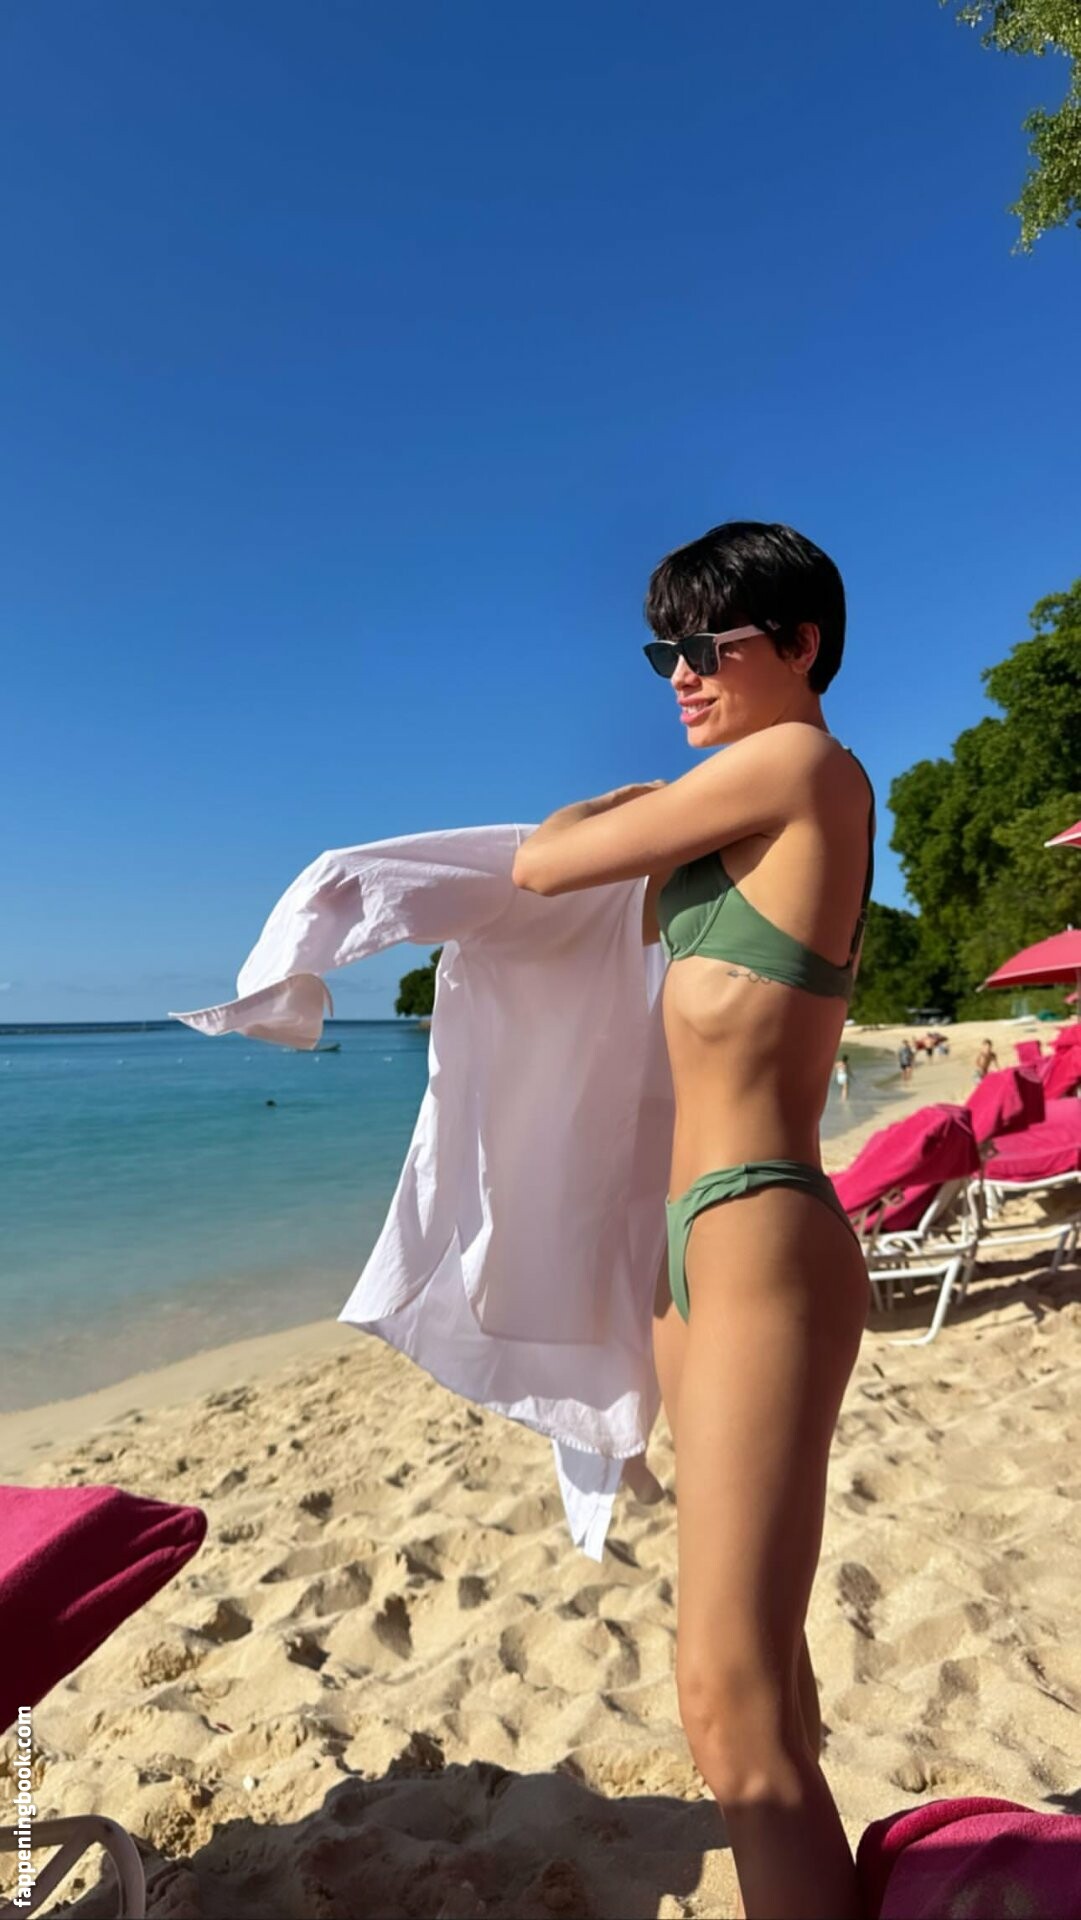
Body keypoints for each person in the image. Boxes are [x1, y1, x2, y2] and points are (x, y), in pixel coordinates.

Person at [514, 521, 873, 1919]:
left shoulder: (801, 770)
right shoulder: (738, 804)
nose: (679, 673)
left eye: (708, 645)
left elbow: (545, 867)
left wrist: (600, 809)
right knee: (765, 1675)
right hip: (692, 1257)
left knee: (725, 1708)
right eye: (663, 648)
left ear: (801, 645)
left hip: (762, 1234)